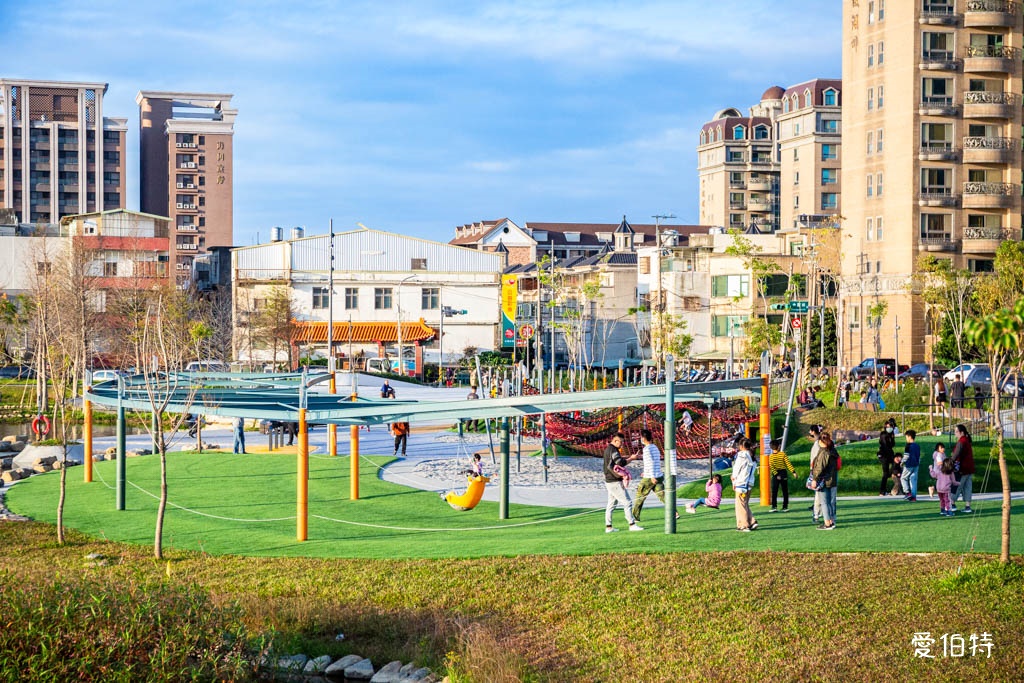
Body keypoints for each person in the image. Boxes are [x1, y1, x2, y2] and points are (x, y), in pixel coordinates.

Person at [631, 429, 676, 521]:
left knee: (640, 496)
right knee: (663, 496)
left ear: (643, 438)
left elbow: (651, 462)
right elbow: (654, 462)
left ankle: (634, 517)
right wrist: (646, 471)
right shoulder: (655, 447)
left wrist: (651, 475)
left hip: (650, 478)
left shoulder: (646, 449)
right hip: (658, 475)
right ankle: (674, 512)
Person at [602, 432, 643, 533]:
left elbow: (617, 461)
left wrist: (629, 458)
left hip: (609, 481)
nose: (622, 444)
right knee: (627, 502)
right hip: (614, 481)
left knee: (611, 504)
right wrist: (631, 458)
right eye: (621, 442)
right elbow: (620, 462)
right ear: (615, 440)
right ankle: (632, 524)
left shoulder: (608, 449)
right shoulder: (613, 449)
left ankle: (609, 527)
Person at [811, 432, 839, 530]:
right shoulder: (833, 450)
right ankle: (831, 521)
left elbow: (819, 467)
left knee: (824, 502)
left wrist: (814, 479)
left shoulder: (823, 452)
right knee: (829, 502)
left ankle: (827, 523)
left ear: (821, 441)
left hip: (824, 479)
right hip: (832, 479)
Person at [731, 437, 758, 532]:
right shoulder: (752, 456)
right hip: (749, 483)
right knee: (744, 503)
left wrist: (733, 478)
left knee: (740, 505)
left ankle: (743, 525)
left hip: (741, 482)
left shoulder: (742, 455)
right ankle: (752, 521)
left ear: (741, 446)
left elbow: (737, 468)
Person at [951, 424, 975, 513]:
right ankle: (967, 506)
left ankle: (952, 504)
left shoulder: (961, 442)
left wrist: (949, 463)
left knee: (956, 485)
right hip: (969, 468)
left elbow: (955, 455)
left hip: (962, 468)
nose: (955, 434)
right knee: (968, 487)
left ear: (961, 432)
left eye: (956, 432)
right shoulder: (967, 441)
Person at [768, 438, 797, 513]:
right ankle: (785, 506)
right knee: (785, 490)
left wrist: (776, 474)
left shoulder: (770, 456)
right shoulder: (783, 454)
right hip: (783, 472)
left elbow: (771, 466)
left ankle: (774, 506)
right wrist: (793, 472)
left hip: (775, 474)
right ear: (778, 446)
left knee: (774, 491)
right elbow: (788, 464)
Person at [877, 417, 897, 496]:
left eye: (890, 427)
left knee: (895, 463)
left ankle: (889, 474)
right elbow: (885, 445)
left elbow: (893, 444)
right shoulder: (883, 434)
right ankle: (882, 491)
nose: (889, 428)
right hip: (883, 454)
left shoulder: (891, 434)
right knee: (885, 474)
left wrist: (892, 438)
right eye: (888, 427)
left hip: (889, 453)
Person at [808, 425, 823, 523]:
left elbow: (814, 459)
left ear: (813, 431)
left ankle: (817, 513)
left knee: (819, 494)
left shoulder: (817, 444)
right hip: (820, 471)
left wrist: (812, 470)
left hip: (817, 471)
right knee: (820, 494)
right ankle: (819, 513)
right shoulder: (818, 443)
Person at [900, 429, 921, 501]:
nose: (906, 439)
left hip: (909, 465)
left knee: (903, 478)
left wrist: (902, 462)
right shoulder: (917, 446)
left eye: (906, 437)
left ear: (909, 437)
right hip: (916, 465)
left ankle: (907, 492)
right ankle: (913, 497)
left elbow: (906, 456)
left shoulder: (908, 446)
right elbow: (918, 456)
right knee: (913, 480)